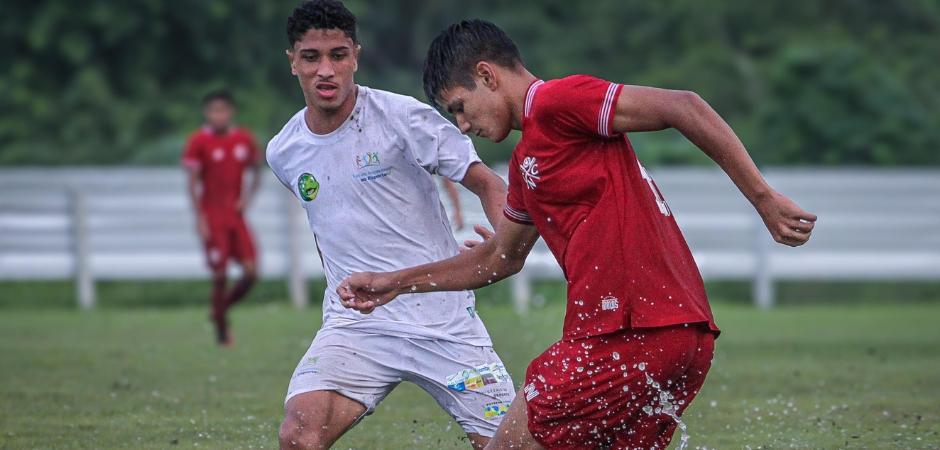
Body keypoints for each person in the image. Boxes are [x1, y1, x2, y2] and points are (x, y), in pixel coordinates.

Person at [339, 19, 817, 449]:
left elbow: (683, 106)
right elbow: (501, 259)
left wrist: (763, 199)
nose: (463, 125)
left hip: (629, 333)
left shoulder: (555, 103)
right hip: (682, 338)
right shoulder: (528, 165)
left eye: (460, 107)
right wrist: (394, 283)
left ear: (487, 75)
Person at [267, 3, 514, 449]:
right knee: (299, 436)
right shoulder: (284, 151)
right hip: (357, 327)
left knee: (515, 446)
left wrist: (505, 242)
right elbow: (331, 228)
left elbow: (490, 185)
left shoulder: (403, 117)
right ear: (292, 61)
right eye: (311, 57)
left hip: (444, 323)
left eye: (338, 55)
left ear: (356, 56)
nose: (326, 70)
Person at [181, 90, 261, 347]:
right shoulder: (198, 141)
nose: (219, 115)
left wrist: (246, 200)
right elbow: (192, 184)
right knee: (220, 274)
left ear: (230, 112)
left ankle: (218, 310)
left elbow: (258, 170)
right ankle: (222, 330)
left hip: (236, 217)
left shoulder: (244, 139)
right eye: (213, 111)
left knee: (251, 272)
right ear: (207, 113)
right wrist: (200, 218)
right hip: (213, 217)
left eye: (223, 110)